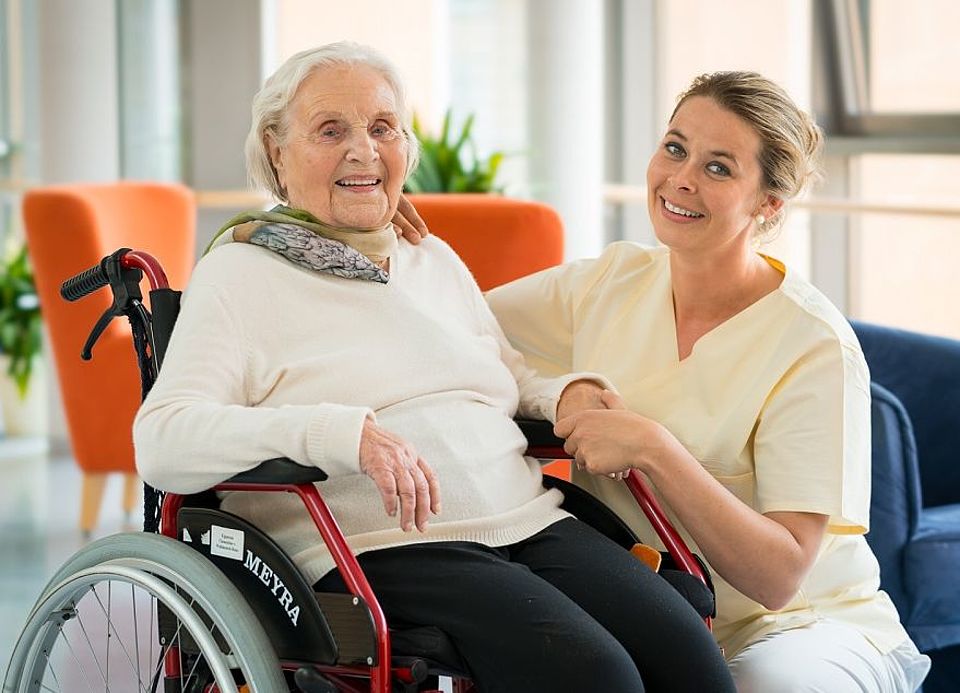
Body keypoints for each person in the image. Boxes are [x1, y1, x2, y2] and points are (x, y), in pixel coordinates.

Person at [134, 42, 734, 693]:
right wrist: (340, 434)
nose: (363, 151)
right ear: (277, 152)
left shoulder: (431, 258)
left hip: (527, 518)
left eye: (382, 128)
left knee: (693, 662)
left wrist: (568, 396)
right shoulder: (241, 273)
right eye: (331, 130)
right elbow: (163, 439)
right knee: (598, 677)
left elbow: (502, 377)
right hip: (379, 545)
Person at [483, 72, 931, 692]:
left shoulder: (812, 343)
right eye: (675, 147)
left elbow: (781, 576)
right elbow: (458, 326)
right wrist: (562, 388)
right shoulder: (607, 283)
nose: (682, 178)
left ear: (768, 204)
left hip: (798, 628)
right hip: (648, 617)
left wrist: (654, 448)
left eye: (719, 168)